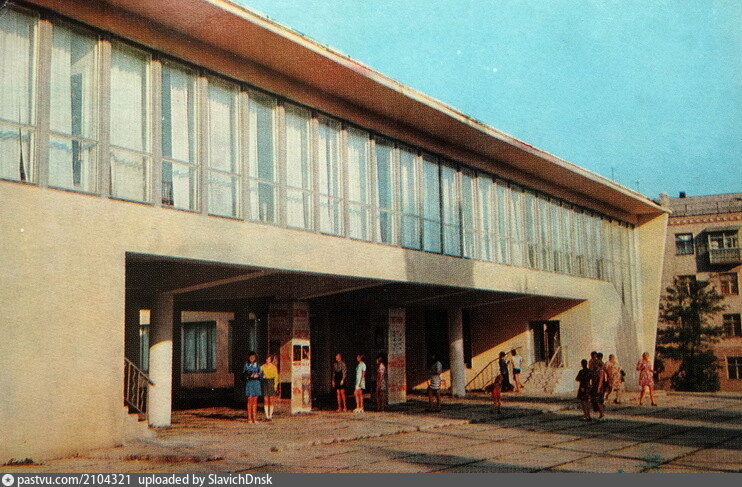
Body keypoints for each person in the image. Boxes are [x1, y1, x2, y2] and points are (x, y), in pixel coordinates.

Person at [243, 352, 262, 424]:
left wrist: (258, 375)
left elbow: (261, 374)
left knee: (255, 400)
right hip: (249, 383)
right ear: (249, 357)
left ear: (255, 357)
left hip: (256, 383)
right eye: (251, 357)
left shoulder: (257, 365)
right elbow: (243, 375)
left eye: (253, 357)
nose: (252, 358)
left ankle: (254, 418)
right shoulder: (246, 365)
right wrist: (249, 375)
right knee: (249, 399)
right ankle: (249, 418)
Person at [260, 354, 278, 421]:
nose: (268, 360)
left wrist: (275, 385)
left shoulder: (274, 367)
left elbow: (276, 376)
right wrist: (262, 377)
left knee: (271, 399)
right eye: (267, 359)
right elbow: (260, 375)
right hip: (265, 382)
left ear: (271, 360)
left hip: (271, 382)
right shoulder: (262, 367)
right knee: (265, 399)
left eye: (269, 359)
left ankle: (270, 415)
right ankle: (267, 416)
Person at [590, 352, 606, 419]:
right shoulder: (595, 371)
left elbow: (601, 380)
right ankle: (600, 413)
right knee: (596, 400)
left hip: (599, 387)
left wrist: (599, 388)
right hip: (595, 386)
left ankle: (602, 414)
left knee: (599, 400)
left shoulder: (600, 371)